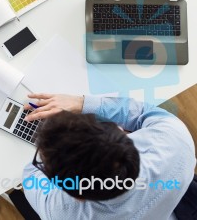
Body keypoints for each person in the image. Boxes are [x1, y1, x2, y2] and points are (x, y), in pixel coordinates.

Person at [22, 93, 196, 220]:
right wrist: (81, 102)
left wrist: (47, 147)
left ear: (78, 197)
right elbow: (142, 111)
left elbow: (30, 176)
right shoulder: (176, 142)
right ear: (121, 132)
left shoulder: (61, 212)